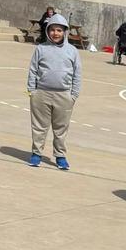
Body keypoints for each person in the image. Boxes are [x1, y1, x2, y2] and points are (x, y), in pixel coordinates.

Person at [26, 12, 80, 170]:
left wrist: (73, 95)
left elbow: (77, 74)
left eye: (59, 30)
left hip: (63, 95)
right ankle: (36, 153)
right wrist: (32, 90)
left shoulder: (72, 51)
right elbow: (33, 70)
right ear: (47, 31)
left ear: (65, 32)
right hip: (41, 93)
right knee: (39, 126)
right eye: (52, 30)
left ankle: (60, 156)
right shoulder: (41, 49)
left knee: (61, 128)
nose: (55, 33)